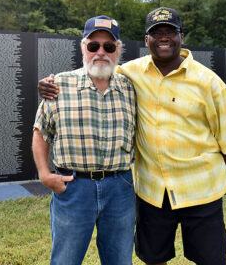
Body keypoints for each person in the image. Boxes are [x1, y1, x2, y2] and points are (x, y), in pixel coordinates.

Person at [38, 7, 226, 265]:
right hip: (153, 193)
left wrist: (203, 171)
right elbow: (96, 70)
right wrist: (47, 84)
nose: (164, 38)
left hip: (201, 192)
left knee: (211, 259)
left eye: (170, 32)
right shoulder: (130, 73)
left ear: (181, 37)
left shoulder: (209, 82)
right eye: (156, 33)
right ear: (146, 41)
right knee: (153, 257)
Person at [33, 15, 136, 265]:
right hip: (74, 187)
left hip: (120, 188)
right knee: (65, 260)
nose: (101, 52)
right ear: (83, 48)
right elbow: (40, 132)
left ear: (118, 50)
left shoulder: (131, 89)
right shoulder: (59, 85)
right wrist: (45, 175)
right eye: (93, 46)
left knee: (120, 260)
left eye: (109, 47)